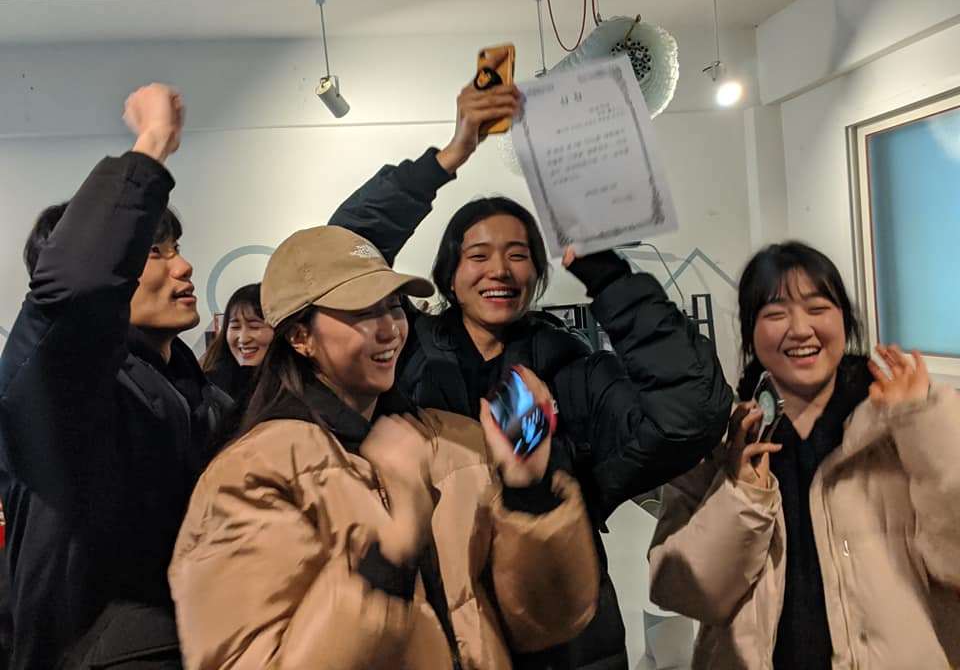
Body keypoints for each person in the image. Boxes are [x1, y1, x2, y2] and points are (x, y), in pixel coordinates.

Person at [329, 80, 733, 668]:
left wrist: (609, 276)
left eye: (518, 254)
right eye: (478, 254)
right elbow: (340, 254)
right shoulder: (404, 356)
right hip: (434, 626)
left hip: (564, 633)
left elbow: (691, 411)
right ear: (448, 275)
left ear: (537, 274)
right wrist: (448, 158)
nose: (500, 269)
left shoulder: (573, 372)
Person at [168, 225, 599, 669]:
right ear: (300, 337)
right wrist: (388, 555)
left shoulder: (458, 441)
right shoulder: (249, 474)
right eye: (361, 312)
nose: (390, 329)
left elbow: (548, 622)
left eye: (394, 307)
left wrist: (528, 490)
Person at [0, 84, 232, 669]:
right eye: (155, 252)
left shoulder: (204, 400)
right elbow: (75, 285)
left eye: (177, 248)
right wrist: (152, 145)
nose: (184, 266)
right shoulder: (61, 389)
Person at [647, 241, 960, 669]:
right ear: (750, 333)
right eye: (775, 314)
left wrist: (924, 425)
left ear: (845, 320)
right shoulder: (716, 443)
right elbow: (684, 592)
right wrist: (742, 495)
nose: (799, 329)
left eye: (817, 308)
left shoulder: (899, 427)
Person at [201, 283, 273, 400]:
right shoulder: (212, 386)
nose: (243, 339)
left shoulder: (296, 386)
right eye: (235, 327)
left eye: (254, 327)